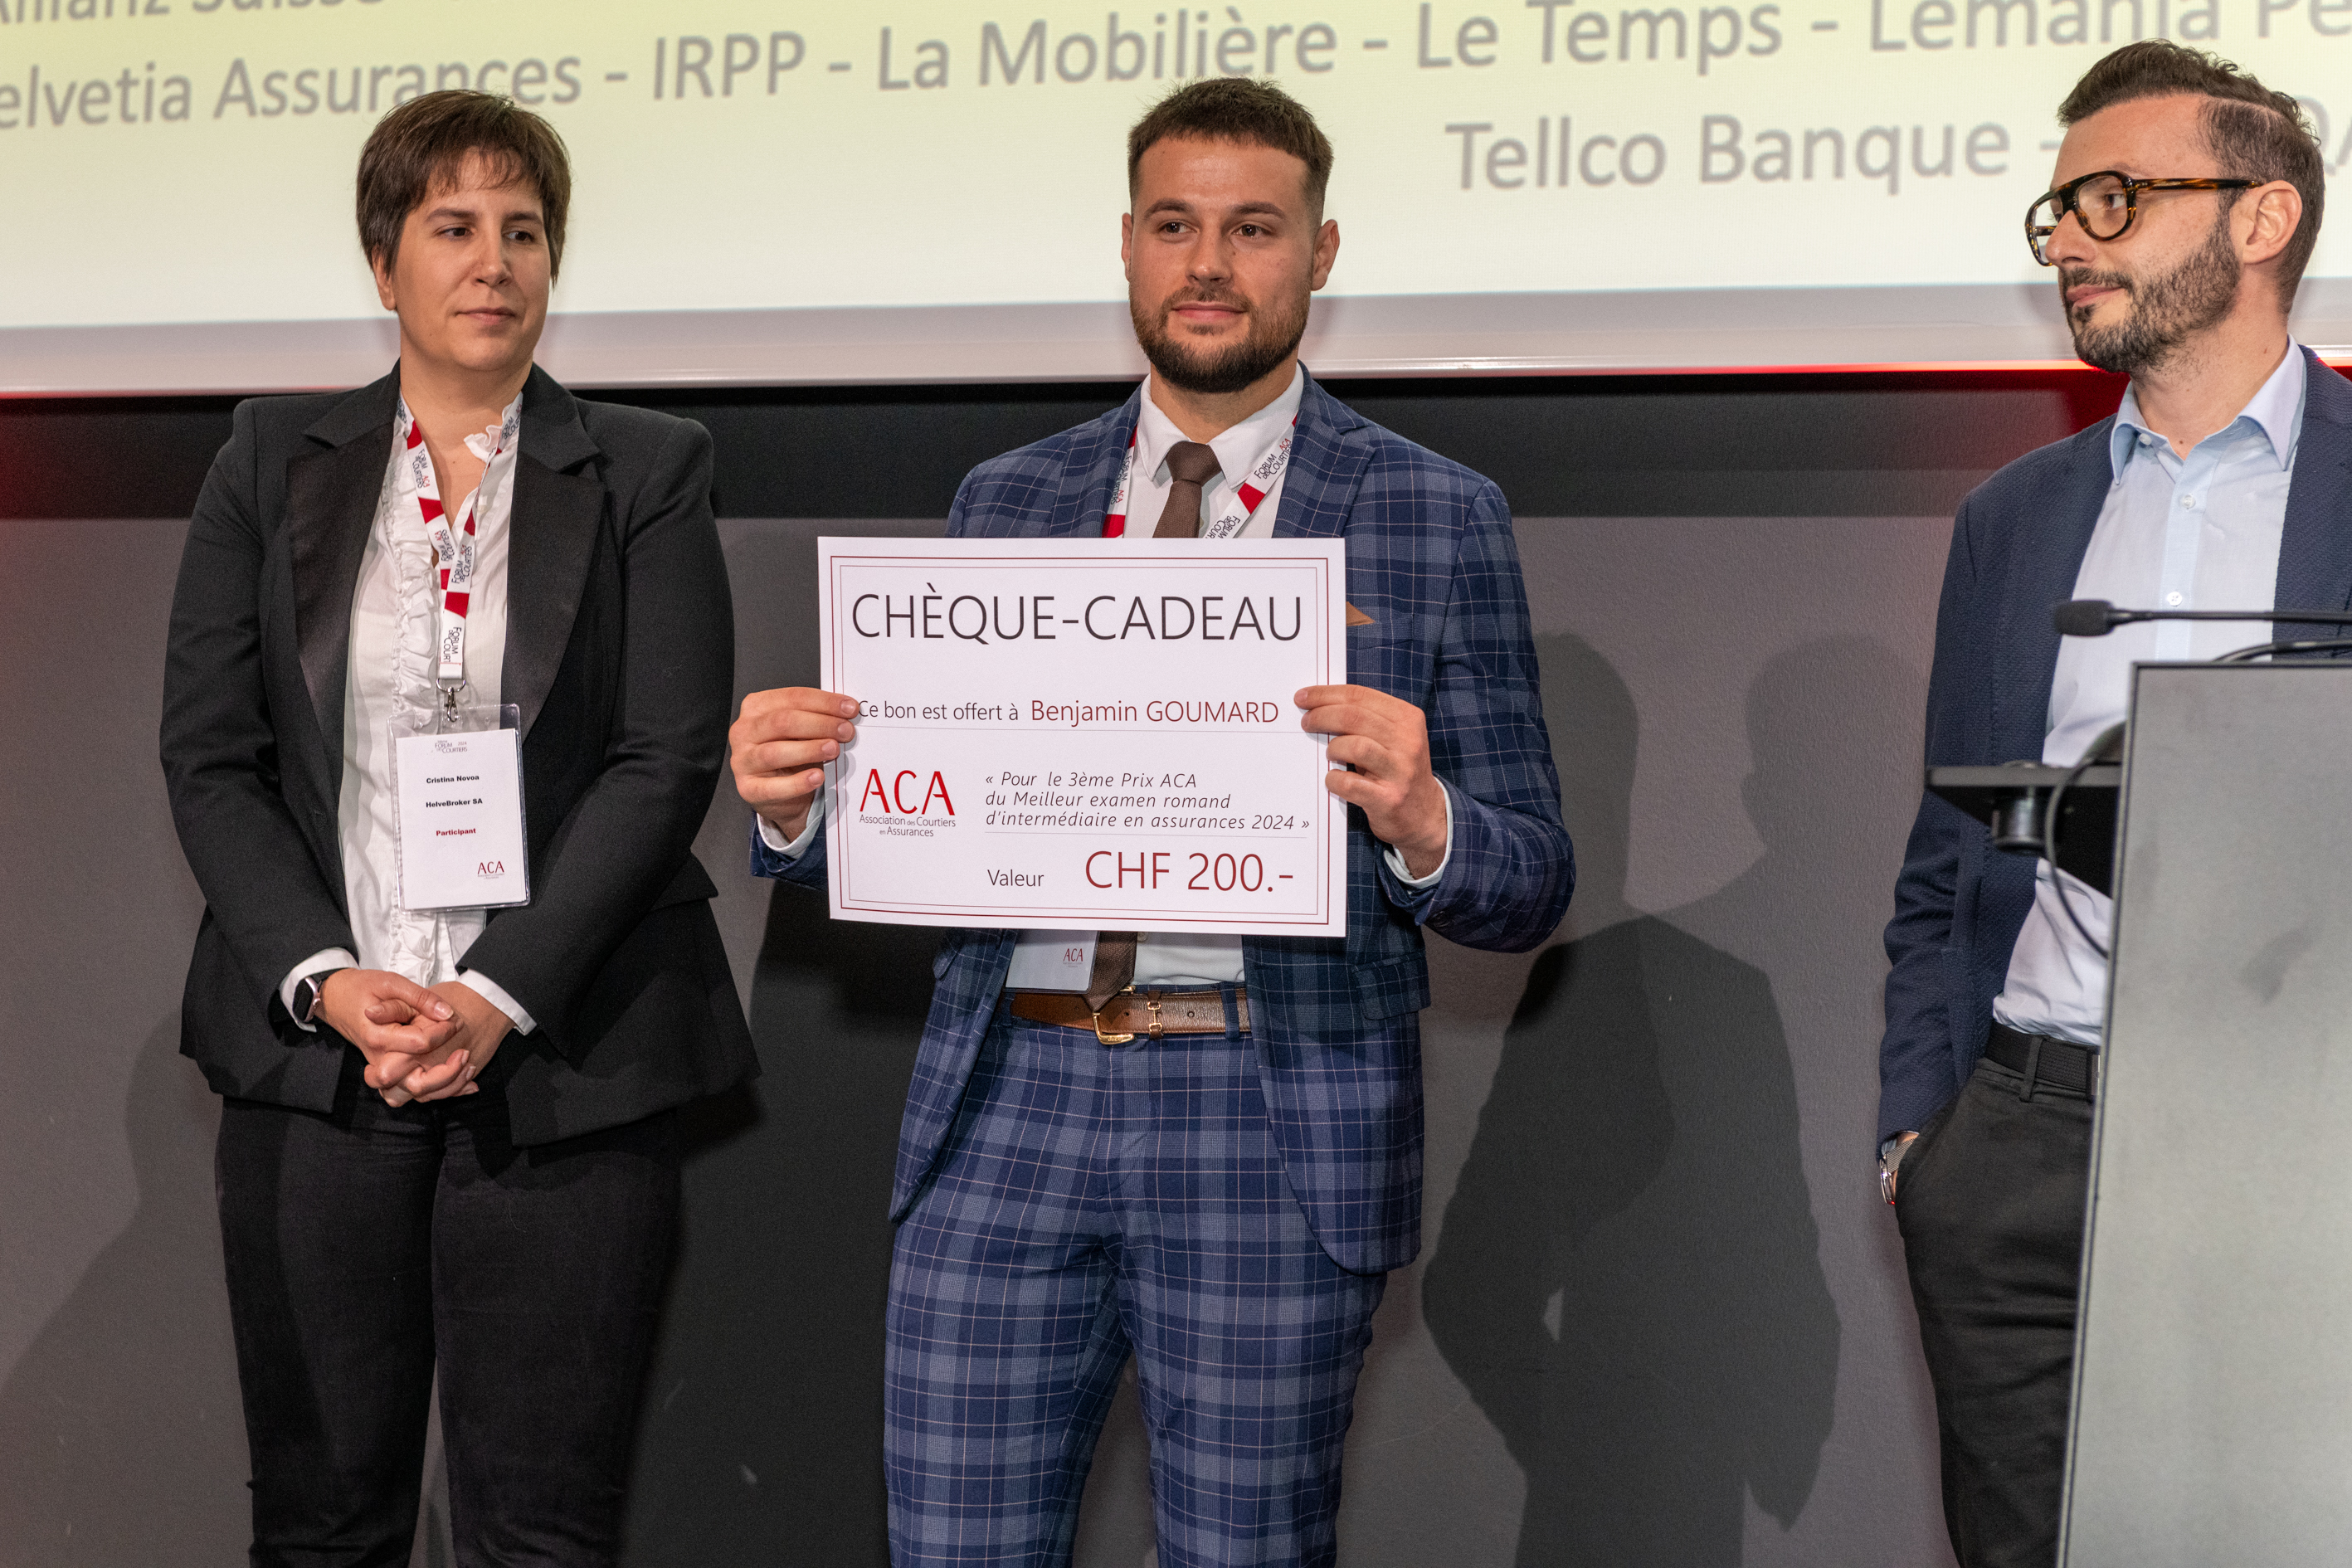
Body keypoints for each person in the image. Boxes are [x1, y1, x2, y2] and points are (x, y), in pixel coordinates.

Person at [730, 76, 1571, 1568]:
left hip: (1268, 1109)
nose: (1209, 264)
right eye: (1175, 226)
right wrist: (805, 807)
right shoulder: (1007, 500)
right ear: (1126, 244)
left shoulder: (1438, 513)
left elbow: (1532, 877)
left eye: (1255, 228)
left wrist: (1427, 817)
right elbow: (947, 809)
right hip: (1007, 1100)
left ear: (1321, 252)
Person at [160, 90, 754, 1565]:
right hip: (324, 1064)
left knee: (539, 1531)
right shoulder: (267, 458)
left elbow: (665, 756)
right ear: (385, 266)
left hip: (565, 1057)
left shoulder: (646, 466)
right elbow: (213, 756)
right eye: (453, 228)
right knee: (320, 1523)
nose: (495, 261)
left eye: (525, 231)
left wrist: (497, 991)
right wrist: (324, 977)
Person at [1880, 40, 2340, 1568]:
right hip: (2024, 1134)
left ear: (2261, 219)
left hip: (2301, 1135)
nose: (2070, 240)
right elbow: (1947, 850)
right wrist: (1921, 1133)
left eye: (2116, 199)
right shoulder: (2013, 517)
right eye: (2061, 210)